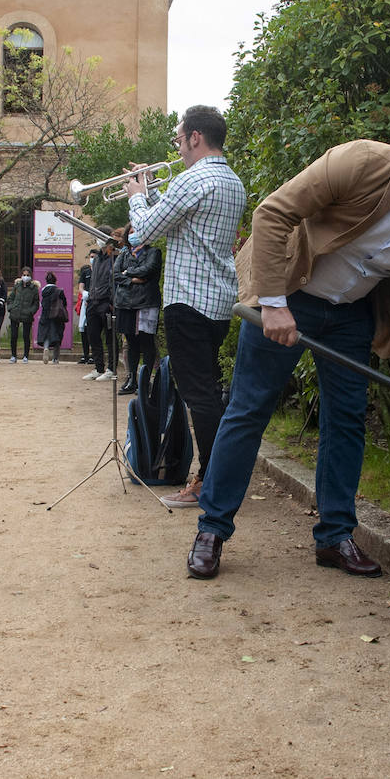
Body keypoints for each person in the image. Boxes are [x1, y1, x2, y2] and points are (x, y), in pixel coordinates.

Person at [184, 126, 390, 581]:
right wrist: (273, 303)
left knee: (347, 418)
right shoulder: (362, 163)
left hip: (352, 312)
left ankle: (335, 536)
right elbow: (273, 214)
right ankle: (212, 530)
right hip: (292, 292)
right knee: (249, 409)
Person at [124, 105, 246, 506]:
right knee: (208, 389)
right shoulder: (232, 181)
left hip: (187, 301)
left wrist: (137, 197)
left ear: (195, 137)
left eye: (178, 139)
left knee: (200, 397)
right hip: (217, 301)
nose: (176, 147)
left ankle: (209, 482)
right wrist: (153, 191)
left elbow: (142, 232)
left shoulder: (191, 180)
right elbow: (180, 220)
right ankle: (214, 475)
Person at [112, 224, 161, 394]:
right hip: (125, 303)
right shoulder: (124, 253)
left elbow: (148, 270)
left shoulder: (153, 252)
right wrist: (132, 279)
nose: (134, 235)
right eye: (131, 232)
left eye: (137, 231)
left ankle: (145, 380)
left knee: (147, 342)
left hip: (146, 303)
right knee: (131, 342)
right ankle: (131, 378)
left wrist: (127, 272)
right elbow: (115, 274)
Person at [81, 238, 117, 382]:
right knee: (93, 335)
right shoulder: (95, 260)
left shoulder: (114, 258)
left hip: (106, 302)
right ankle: (98, 367)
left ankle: (111, 369)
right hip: (93, 302)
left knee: (110, 337)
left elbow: (114, 280)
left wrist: (112, 301)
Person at [6, 267, 38, 363]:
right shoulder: (17, 286)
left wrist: (31, 311)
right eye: (24, 275)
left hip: (27, 315)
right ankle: (13, 356)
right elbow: (11, 298)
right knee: (14, 336)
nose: (25, 277)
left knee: (26, 336)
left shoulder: (34, 288)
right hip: (15, 313)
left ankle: (25, 356)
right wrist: (11, 308)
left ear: (31, 276)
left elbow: (36, 303)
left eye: (28, 275)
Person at [36, 271, 69, 364]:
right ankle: (55, 358)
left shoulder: (43, 292)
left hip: (45, 316)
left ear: (46, 281)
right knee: (57, 336)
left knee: (46, 334)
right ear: (55, 281)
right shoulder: (59, 291)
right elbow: (64, 303)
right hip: (56, 316)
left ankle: (46, 348)